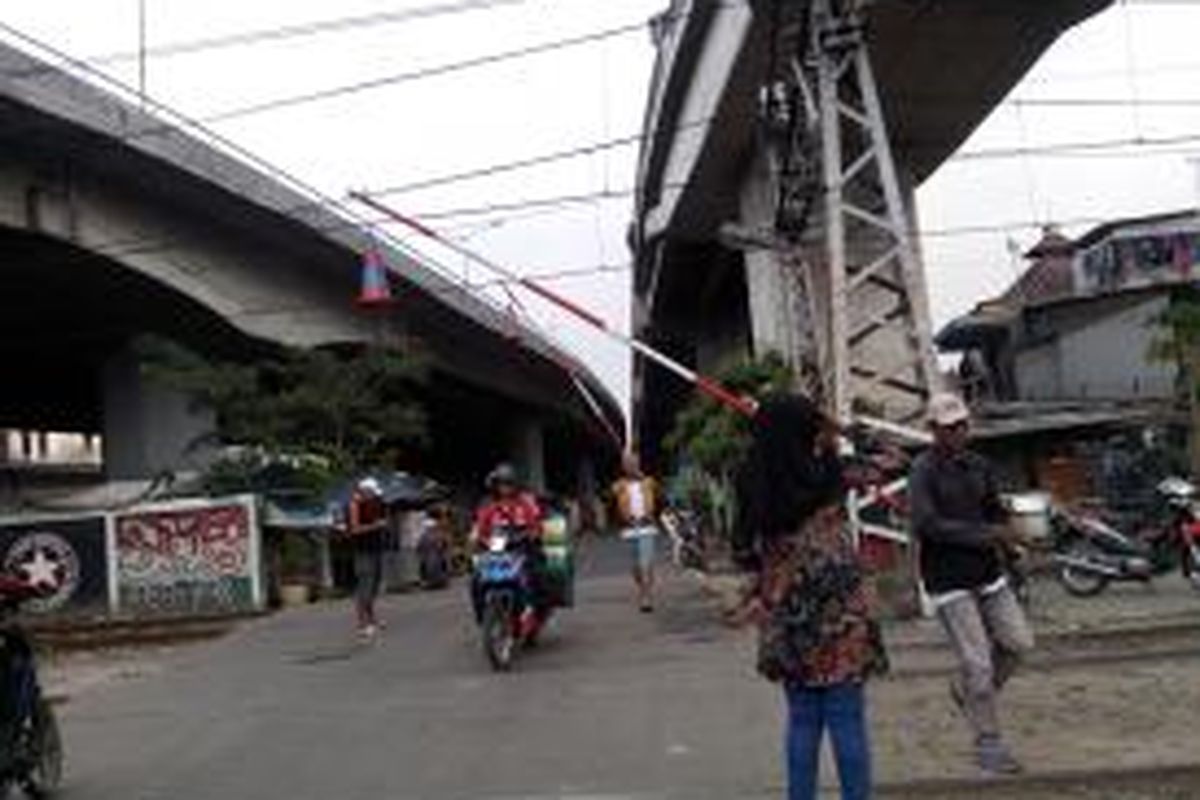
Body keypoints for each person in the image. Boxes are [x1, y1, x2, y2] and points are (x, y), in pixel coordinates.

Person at [734, 395, 887, 800]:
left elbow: (743, 550)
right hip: (841, 614)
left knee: (801, 721)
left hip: (787, 611)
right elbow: (894, 459)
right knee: (846, 719)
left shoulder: (751, 477)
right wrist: (839, 430)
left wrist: (759, 589)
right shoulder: (829, 472)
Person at [909, 392, 1035, 775]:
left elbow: (994, 510)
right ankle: (988, 744)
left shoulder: (980, 466)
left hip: (988, 573)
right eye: (949, 428)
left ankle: (967, 693)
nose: (958, 433)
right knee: (978, 663)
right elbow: (926, 524)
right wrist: (987, 536)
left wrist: (1011, 542)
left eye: (962, 425)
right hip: (948, 579)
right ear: (934, 431)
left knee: (1018, 644)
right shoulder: (923, 470)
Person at [471, 463, 545, 630]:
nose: (505, 488)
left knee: (533, 576)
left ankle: (532, 614)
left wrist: (531, 534)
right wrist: (480, 539)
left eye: (508, 483)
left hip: (523, 549)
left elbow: (536, 525)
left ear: (515, 484)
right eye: (501, 484)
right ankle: (483, 618)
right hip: (497, 552)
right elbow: (480, 530)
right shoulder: (488, 506)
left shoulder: (525, 503)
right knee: (476, 580)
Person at [612, 452, 661, 612]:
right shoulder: (620, 485)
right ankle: (642, 589)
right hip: (630, 527)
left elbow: (658, 491)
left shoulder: (648, 482)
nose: (631, 466)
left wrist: (641, 477)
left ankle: (646, 597)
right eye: (627, 464)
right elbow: (613, 494)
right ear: (623, 467)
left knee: (645, 563)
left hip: (646, 525)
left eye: (633, 463)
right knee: (635, 567)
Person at [347, 476, 389, 640]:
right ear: (364, 491)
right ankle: (363, 624)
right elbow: (355, 529)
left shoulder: (375, 504)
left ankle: (372, 620)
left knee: (373, 586)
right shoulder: (354, 505)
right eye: (372, 494)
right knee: (364, 586)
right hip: (362, 551)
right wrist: (376, 526)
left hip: (375, 549)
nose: (374, 497)